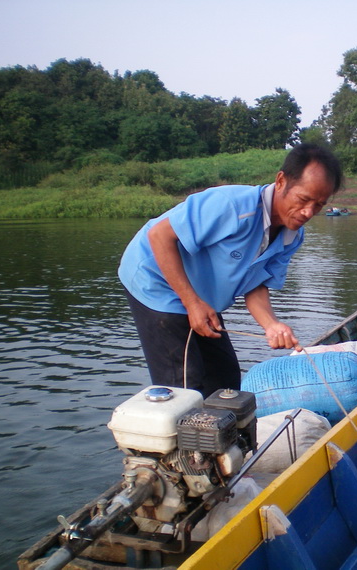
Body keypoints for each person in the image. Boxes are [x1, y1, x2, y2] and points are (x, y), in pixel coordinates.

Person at [119, 143, 343, 398]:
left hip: (200, 295)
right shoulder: (232, 205)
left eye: (318, 205)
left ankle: (224, 436)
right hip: (155, 279)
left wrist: (271, 325)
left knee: (225, 378)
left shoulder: (292, 236)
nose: (308, 212)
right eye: (303, 200)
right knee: (183, 385)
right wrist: (192, 303)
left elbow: (256, 284)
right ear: (281, 181)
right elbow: (159, 236)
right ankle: (183, 436)